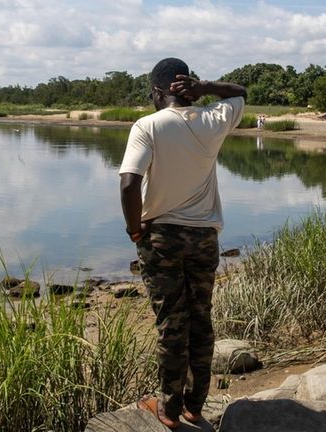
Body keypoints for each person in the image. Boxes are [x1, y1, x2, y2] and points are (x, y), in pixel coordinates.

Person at [119, 57, 246, 428]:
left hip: (162, 238)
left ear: (157, 92)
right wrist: (204, 87)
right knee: (200, 320)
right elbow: (240, 92)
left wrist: (134, 230)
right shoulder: (213, 119)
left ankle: (170, 411)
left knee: (171, 324)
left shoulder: (148, 126)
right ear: (186, 86)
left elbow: (129, 184)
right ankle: (195, 406)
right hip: (205, 238)